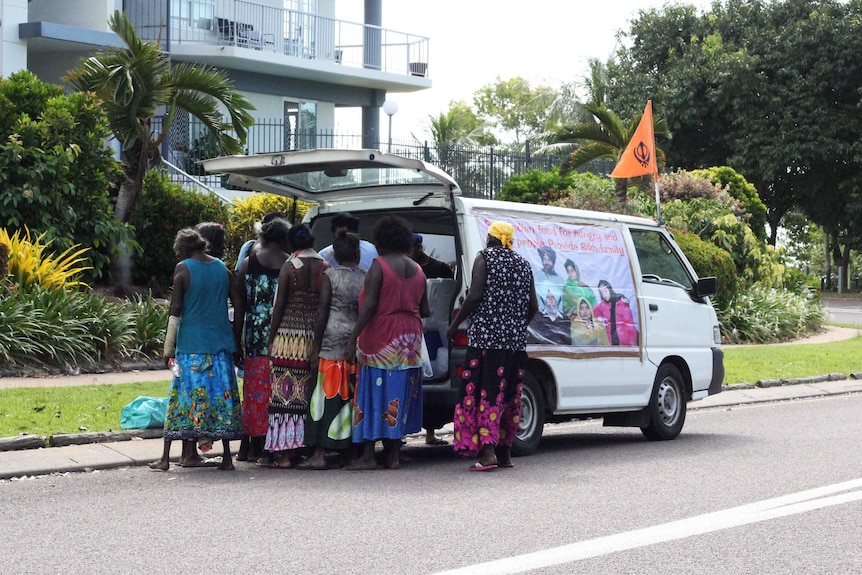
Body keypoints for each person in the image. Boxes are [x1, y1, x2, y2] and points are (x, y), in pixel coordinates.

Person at [447, 221, 538, 472]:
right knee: (508, 395)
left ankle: (487, 453)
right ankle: (504, 453)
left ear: (492, 239)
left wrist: (455, 325)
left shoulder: (484, 258)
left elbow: (475, 295)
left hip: (486, 342)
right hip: (515, 345)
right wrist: (516, 326)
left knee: (484, 394)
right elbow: (534, 307)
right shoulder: (523, 264)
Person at [149, 228, 243, 471]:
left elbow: (176, 308)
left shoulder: (183, 268)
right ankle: (226, 458)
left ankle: (165, 459)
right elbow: (238, 303)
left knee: (183, 400)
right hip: (220, 345)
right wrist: (234, 335)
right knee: (221, 400)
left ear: (182, 248)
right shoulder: (222, 268)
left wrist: (168, 348)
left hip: (191, 346)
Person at [346, 215, 429, 470]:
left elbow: (369, 305)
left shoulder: (379, 265)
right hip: (410, 339)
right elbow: (424, 309)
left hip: (380, 336)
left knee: (374, 392)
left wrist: (353, 338)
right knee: (399, 393)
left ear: (381, 241)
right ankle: (393, 455)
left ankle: (369, 455)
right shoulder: (418, 270)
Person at [265, 224, 328, 468]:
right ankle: (306, 446)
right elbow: (324, 307)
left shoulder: (289, 266)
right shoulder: (326, 266)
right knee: (308, 393)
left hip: (288, 338)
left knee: (284, 395)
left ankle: (284, 454)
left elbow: (279, 305)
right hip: (315, 335)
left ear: (292, 244)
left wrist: (271, 338)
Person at [305, 228, 367, 469]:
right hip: (356, 341)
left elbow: (322, 312)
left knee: (324, 395)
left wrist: (315, 346)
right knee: (350, 396)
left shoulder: (330, 275)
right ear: (357, 253)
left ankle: (319, 454)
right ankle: (349, 453)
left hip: (330, 341)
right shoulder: (365, 276)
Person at [232, 217, 292, 462]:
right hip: (285, 339)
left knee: (255, 391)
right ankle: (276, 443)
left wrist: (237, 340)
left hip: (255, 337)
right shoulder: (290, 264)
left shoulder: (248, 263)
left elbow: (239, 306)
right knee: (280, 392)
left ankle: (254, 444)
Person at [409, 232, 453, 446]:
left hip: (434, 329)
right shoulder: (407, 268)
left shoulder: (439, 268)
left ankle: (430, 433)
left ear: (419, 248)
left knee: (432, 371)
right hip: (415, 326)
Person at [593, 279, 639, 346]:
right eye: (601, 292)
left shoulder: (621, 303)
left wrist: (632, 343)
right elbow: (593, 311)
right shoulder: (602, 306)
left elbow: (630, 324)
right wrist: (598, 318)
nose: (604, 293)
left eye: (606, 290)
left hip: (625, 342)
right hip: (611, 341)